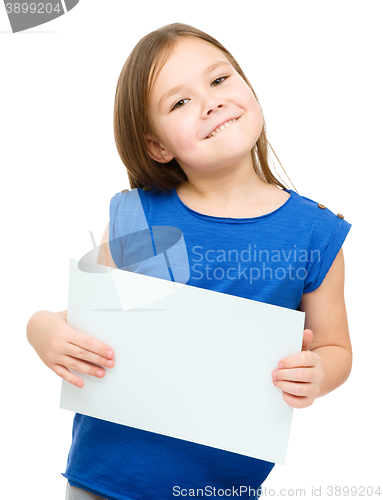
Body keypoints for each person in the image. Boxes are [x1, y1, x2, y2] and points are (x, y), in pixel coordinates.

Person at [26, 23, 352, 500]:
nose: (211, 101)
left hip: (220, 489)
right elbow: (95, 319)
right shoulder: (143, 218)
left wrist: (318, 374)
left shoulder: (314, 234)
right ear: (157, 146)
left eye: (219, 80)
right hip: (104, 481)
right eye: (180, 102)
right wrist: (40, 329)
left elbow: (336, 349)